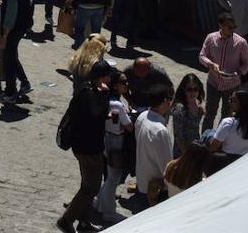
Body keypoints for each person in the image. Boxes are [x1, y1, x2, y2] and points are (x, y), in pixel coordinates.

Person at [55, 60, 111, 233]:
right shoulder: (91, 95)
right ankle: (66, 220)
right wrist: (105, 96)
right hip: (88, 149)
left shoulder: (86, 90)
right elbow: (96, 116)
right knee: (91, 187)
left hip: (83, 146)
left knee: (86, 184)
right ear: (101, 78)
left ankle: (84, 222)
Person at [198, 13, 248, 128]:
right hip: (213, 82)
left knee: (226, 116)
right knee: (210, 113)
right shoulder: (211, 38)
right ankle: (205, 140)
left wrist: (239, 72)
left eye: (234, 27)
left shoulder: (241, 43)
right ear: (221, 25)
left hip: (231, 85)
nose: (232, 30)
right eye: (229, 27)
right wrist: (211, 64)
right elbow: (202, 56)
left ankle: (220, 141)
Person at [94, 70, 133, 223]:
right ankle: (109, 212)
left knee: (110, 176)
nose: (127, 85)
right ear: (116, 85)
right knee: (114, 178)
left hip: (105, 138)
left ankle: (99, 204)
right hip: (116, 142)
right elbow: (129, 126)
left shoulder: (104, 98)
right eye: (124, 82)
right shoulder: (116, 104)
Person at [0, 0, 33, 105]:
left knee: (8, 60)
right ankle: (24, 83)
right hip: (23, 26)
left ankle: (10, 92)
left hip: (13, 30)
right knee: (12, 55)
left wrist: (4, 36)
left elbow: (10, 17)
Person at [134, 82, 175, 208]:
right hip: (155, 189)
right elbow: (166, 167)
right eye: (169, 99)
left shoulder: (142, 116)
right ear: (164, 101)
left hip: (142, 183)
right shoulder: (160, 131)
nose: (171, 102)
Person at [205, 88, 248, 168]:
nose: (229, 102)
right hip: (244, 159)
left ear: (242, 104)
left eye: (233, 100)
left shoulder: (228, 123)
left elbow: (213, 147)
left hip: (225, 160)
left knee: (208, 133)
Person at [169, 72, 205, 157]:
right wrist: (186, 155)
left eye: (195, 89)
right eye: (189, 89)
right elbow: (179, 136)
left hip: (195, 147)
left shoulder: (198, 104)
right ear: (184, 89)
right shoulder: (180, 109)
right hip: (183, 152)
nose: (193, 92)